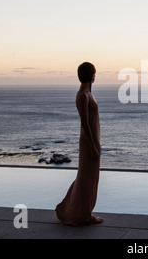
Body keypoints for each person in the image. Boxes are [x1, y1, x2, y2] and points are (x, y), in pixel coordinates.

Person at [55, 62, 103, 225]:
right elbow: (85, 123)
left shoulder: (88, 93)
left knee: (90, 177)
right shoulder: (82, 95)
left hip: (93, 139)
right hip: (88, 141)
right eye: (94, 74)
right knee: (86, 178)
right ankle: (82, 213)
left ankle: (83, 211)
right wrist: (92, 146)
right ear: (92, 76)